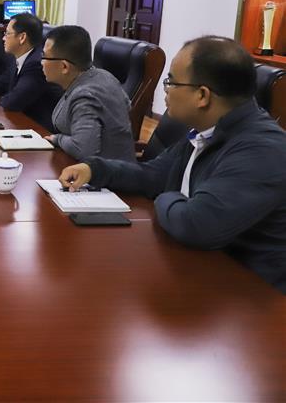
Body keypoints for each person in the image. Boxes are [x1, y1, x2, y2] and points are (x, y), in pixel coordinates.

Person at [59, 36, 286, 292]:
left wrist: (167, 196)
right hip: (200, 270)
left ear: (202, 95)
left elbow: (196, 224)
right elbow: (153, 175)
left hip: (252, 297)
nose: (165, 90)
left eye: (171, 82)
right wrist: (95, 169)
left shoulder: (262, 150)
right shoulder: (207, 130)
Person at [42, 25, 135, 161]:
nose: (41, 62)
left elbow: (83, 150)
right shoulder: (103, 75)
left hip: (107, 172)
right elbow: (127, 106)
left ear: (64, 67)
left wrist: (58, 139)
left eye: (44, 57)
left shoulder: (85, 95)